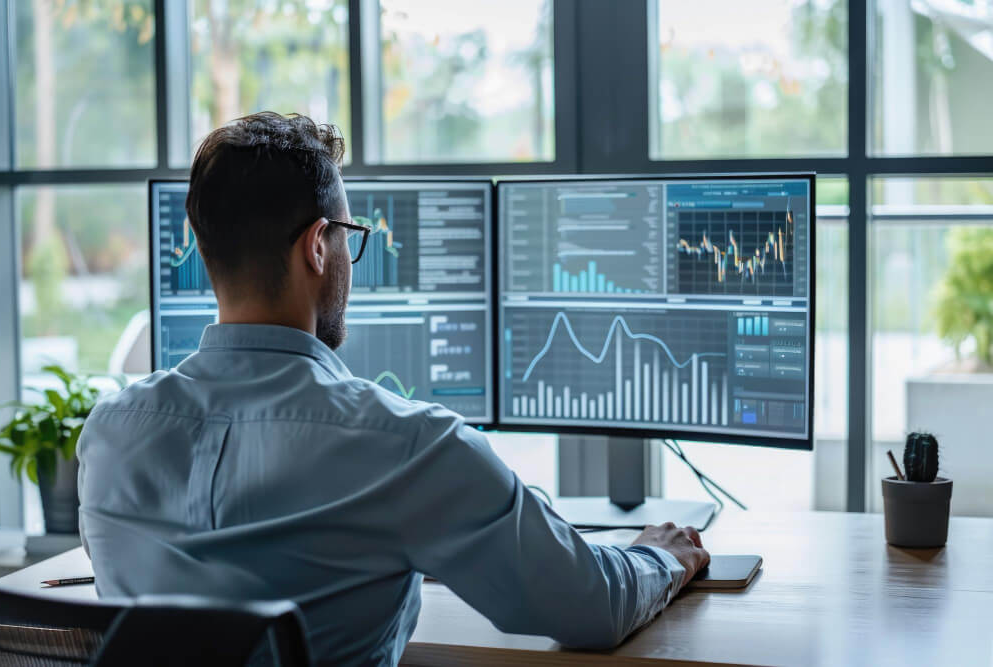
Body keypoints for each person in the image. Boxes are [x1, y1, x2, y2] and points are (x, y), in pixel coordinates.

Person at [77, 112, 710, 666]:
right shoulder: (406, 446)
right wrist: (659, 557)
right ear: (317, 248)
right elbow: (588, 605)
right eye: (350, 239)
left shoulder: (109, 437)